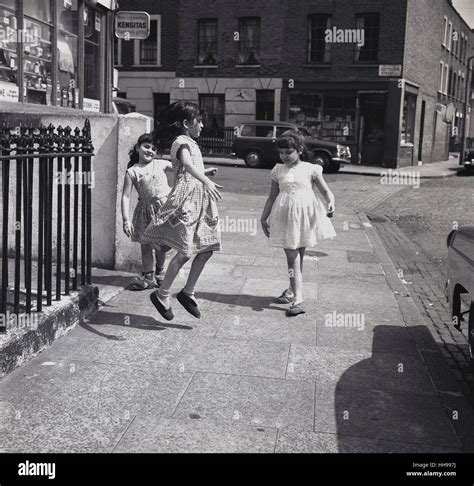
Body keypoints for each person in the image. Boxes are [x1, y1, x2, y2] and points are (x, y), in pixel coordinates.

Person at [142, 101, 222, 321]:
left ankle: (188, 293)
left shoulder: (191, 142)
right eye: (200, 121)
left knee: (206, 248)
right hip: (186, 202)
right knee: (185, 251)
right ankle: (162, 294)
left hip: (200, 202)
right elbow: (186, 166)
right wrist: (206, 180)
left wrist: (205, 172)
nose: (203, 125)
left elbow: (189, 168)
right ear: (187, 123)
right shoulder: (181, 142)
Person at [260, 130, 336, 317]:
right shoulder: (278, 170)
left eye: (289, 152)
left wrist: (331, 203)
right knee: (292, 256)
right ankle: (295, 294)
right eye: (281, 152)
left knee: (297, 257)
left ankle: (296, 295)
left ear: (300, 149)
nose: (284, 156)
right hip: (285, 217)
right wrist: (264, 217)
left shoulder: (311, 169)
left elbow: (326, 192)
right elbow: (272, 196)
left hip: (304, 217)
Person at [121, 133, 173, 290]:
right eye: (146, 146)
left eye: (154, 148)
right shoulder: (132, 172)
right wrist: (126, 220)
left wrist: (204, 172)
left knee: (162, 244)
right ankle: (148, 276)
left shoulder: (161, 164)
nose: (150, 150)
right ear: (137, 148)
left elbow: (183, 167)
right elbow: (125, 196)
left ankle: (160, 273)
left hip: (163, 210)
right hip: (144, 212)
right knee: (145, 246)